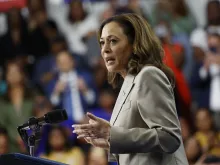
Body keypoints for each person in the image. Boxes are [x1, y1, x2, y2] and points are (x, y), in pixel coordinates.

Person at [72, 13, 188, 165]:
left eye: (113, 41)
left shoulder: (148, 75)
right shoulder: (128, 82)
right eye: (102, 43)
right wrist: (109, 141)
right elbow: (140, 146)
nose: (105, 49)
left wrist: (110, 133)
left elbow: (169, 138)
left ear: (134, 44)